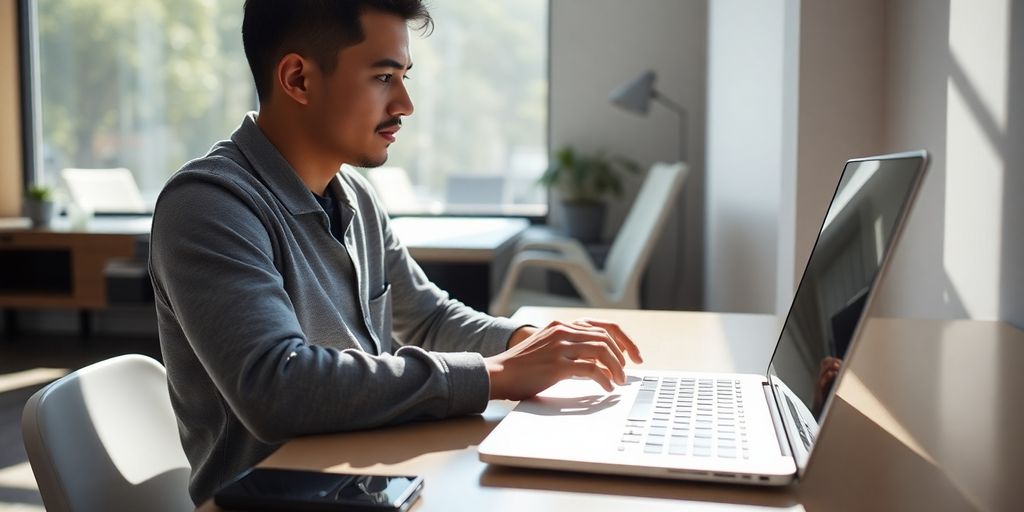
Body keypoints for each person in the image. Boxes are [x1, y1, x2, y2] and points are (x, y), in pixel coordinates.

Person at [149, 0, 642, 504]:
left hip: (372, 483)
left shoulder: (355, 194)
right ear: (298, 79)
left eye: (404, 76)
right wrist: (498, 375)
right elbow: (277, 386)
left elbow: (425, 317)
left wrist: (531, 343)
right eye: (384, 77)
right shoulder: (208, 205)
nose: (405, 103)